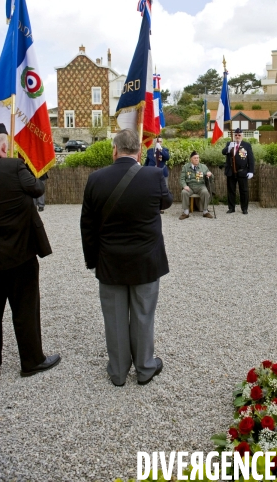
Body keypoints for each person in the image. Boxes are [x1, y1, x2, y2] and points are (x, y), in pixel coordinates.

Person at [80, 129, 172, 386]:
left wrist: (92, 260)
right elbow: (167, 203)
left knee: (114, 318)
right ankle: (144, 369)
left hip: (110, 262)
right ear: (140, 152)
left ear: (114, 150)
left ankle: (118, 372)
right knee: (143, 315)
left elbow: (86, 225)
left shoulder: (95, 179)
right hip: (146, 261)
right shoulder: (154, 175)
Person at [0, 123, 60, 378]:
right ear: (4, 145)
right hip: (20, 255)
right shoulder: (13, 166)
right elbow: (38, 188)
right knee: (25, 310)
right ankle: (32, 361)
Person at [222, 128, 254, 214]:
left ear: (242, 136)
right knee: (231, 190)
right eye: (236, 135)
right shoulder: (230, 143)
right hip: (231, 171)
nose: (237, 136)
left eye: (239, 135)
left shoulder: (246, 145)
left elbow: (250, 159)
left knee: (244, 191)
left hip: (242, 171)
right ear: (234, 135)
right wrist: (229, 148)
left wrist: (251, 171)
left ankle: (244, 208)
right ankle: (231, 208)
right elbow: (223, 152)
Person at [179, 151, 214, 220]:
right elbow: (181, 179)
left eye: (198, 158)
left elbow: (211, 177)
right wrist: (184, 186)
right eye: (195, 158)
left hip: (200, 186)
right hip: (190, 186)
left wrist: (210, 174)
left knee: (205, 192)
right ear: (191, 159)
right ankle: (186, 212)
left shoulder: (203, 167)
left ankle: (205, 211)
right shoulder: (186, 167)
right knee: (184, 192)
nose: (196, 159)